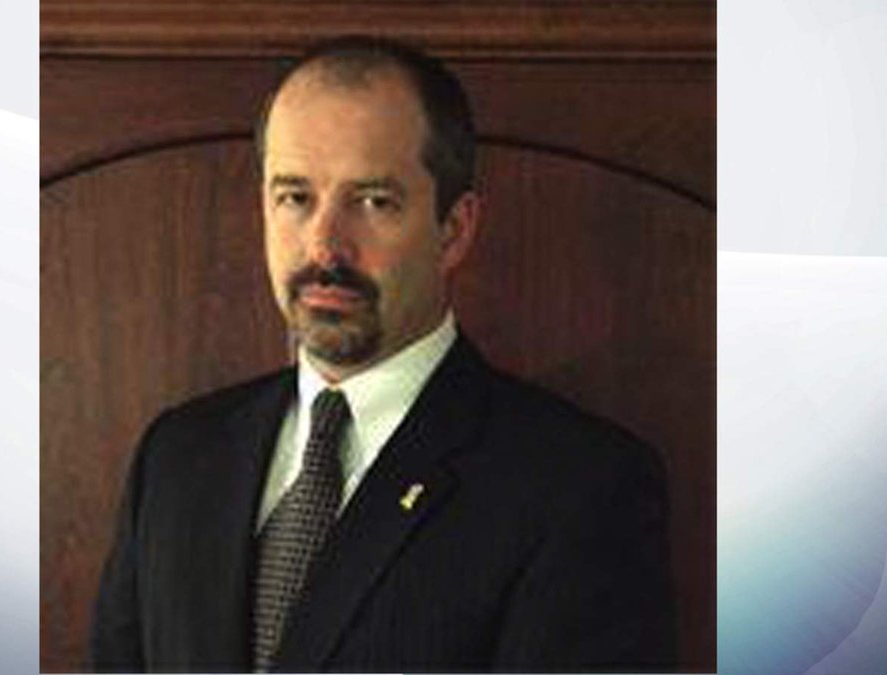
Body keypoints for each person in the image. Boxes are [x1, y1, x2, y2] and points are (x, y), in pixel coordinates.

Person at [91, 36, 674, 673]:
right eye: (295, 197)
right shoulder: (177, 457)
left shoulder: (579, 488)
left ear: (454, 230)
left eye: (373, 202)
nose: (324, 247)